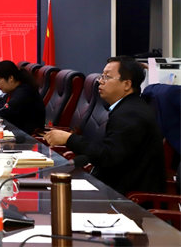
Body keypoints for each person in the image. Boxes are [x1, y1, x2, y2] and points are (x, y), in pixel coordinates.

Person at [44, 56, 166, 194]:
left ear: (126, 84)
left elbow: (108, 158)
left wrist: (69, 139)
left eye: (107, 77)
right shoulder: (127, 108)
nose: (100, 81)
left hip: (126, 198)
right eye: (102, 76)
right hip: (113, 187)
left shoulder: (130, 114)